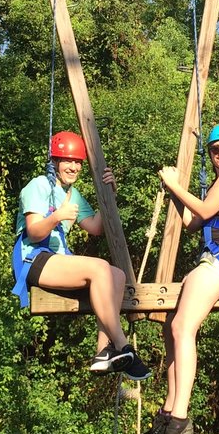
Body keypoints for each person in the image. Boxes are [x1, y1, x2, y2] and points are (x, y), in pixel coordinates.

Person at [147, 123, 219, 434]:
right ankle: (170, 408)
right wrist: (174, 195)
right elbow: (195, 222)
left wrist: (174, 184)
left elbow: (206, 210)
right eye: (215, 149)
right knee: (171, 327)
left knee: (183, 327)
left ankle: (180, 416)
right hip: (216, 258)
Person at [13, 129, 150, 381]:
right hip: (33, 258)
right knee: (99, 267)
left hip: (58, 260)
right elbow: (33, 232)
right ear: (55, 161)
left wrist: (109, 193)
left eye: (78, 162)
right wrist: (56, 217)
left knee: (116, 274)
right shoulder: (39, 185)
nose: (74, 167)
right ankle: (124, 345)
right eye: (68, 161)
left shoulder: (72, 194)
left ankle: (102, 351)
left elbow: (97, 226)